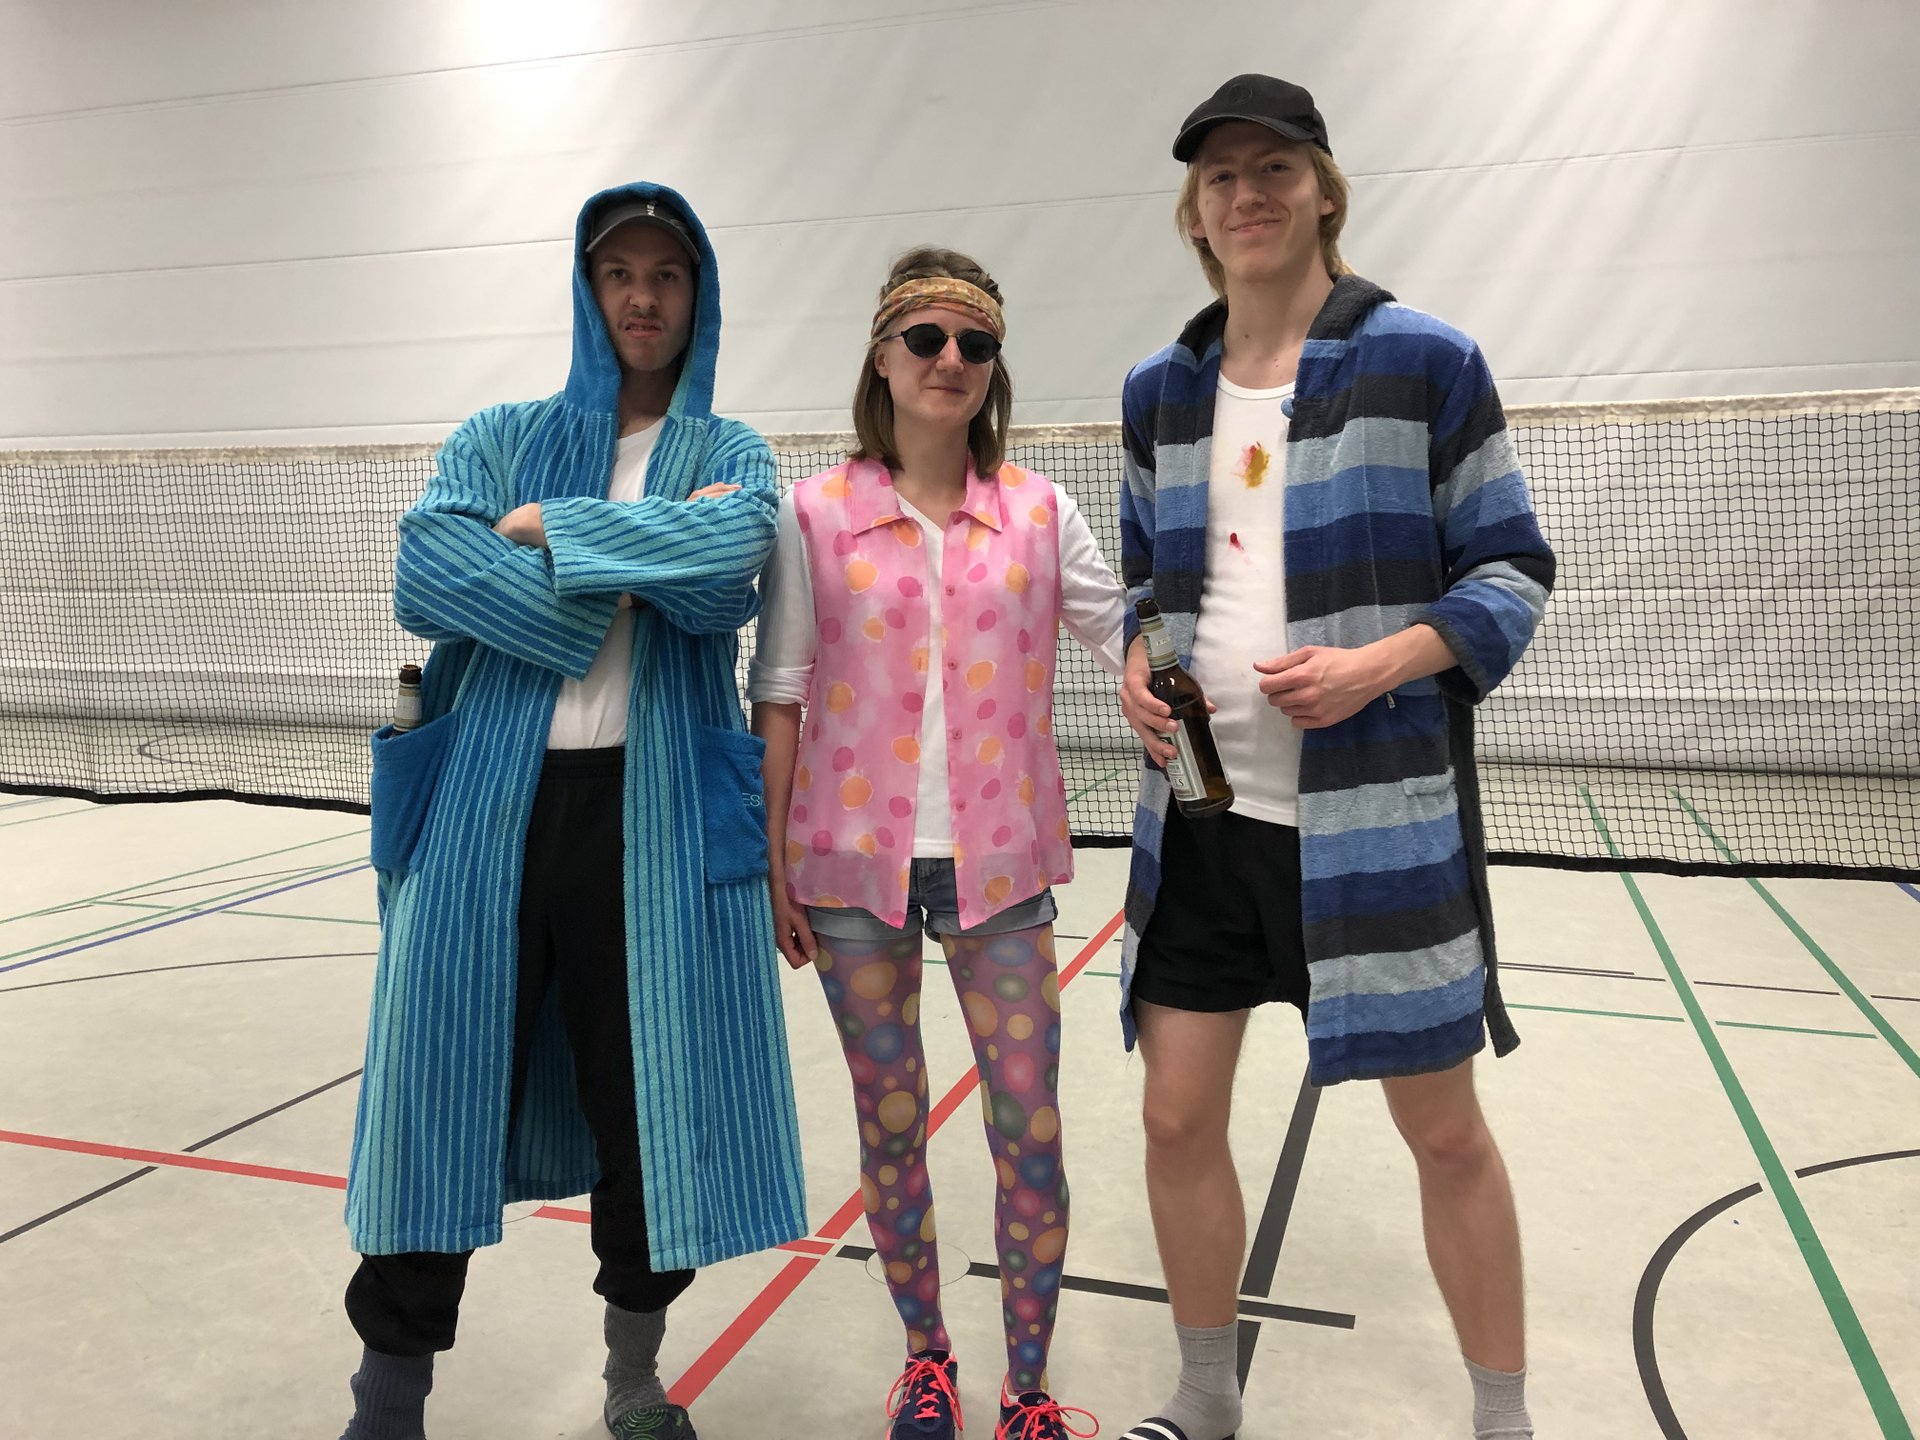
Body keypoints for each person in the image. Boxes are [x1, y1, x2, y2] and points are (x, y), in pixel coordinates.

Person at [1112, 77, 1556, 1440]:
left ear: (1322, 192)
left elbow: (1511, 570)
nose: (1247, 194)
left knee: (1444, 1133)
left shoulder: (1425, 362)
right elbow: (1144, 587)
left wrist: (1378, 665)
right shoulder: (1159, 393)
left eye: (1274, 169)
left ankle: (1502, 1416)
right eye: (1221, 177)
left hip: (1373, 835)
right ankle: (1205, 1397)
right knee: (1176, 1123)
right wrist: (1135, 661)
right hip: (1201, 828)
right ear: (1195, 215)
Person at [338, 183, 806, 1440]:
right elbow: (428, 572)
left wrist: (552, 533)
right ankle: (387, 1403)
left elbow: (726, 569)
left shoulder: (733, 454)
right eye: (619, 274)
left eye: (667, 274)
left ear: (699, 296)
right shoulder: (499, 433)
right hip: (485, 814)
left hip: (654, 825)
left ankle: (632, 1381)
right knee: (438, 1095)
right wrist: (636, 563)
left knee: (649, 1109)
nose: (642, 297)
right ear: (589, 291)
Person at [749, 248, 1123, 1440]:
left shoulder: (1039, 513)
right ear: (882, 355)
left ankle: (1027, 1389)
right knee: (892, 1125)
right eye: (926, 337)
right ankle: (927, 1362)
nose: (951, 359)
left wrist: (1179, 664)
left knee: (1030, 1128)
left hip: (999, 871)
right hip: (848, 871)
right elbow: (781, 690)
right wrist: (773, 863)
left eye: (976, 343)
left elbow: (1125, 630)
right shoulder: (814, 514)